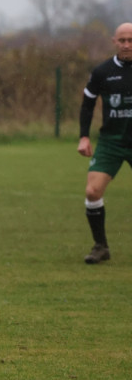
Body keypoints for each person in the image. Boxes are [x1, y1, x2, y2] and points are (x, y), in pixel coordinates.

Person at [77, 21, 132, 264]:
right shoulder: (102, 72)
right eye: (122, 40)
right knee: (92, 191)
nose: (127, 45)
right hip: (111, 141)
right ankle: (101, 246)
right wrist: (84, 136)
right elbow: (87, 104)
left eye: (131, 40)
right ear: (114, 41)